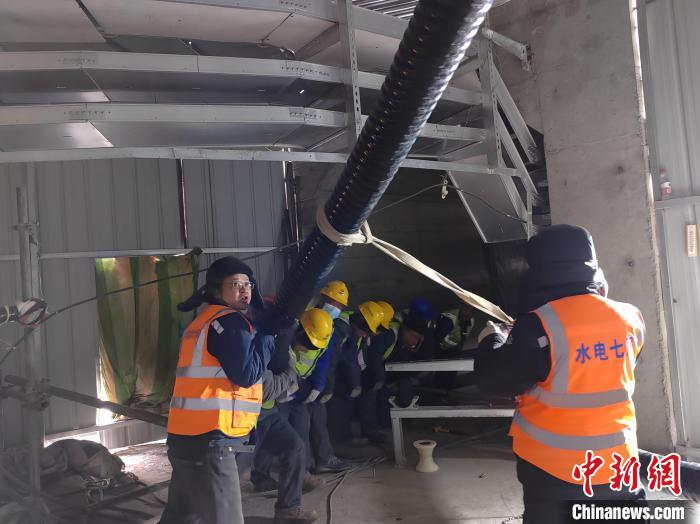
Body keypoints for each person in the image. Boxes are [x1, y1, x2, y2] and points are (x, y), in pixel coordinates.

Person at [473, 225, 646, 524]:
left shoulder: (540, 325)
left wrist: (492, 339)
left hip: (553, 471)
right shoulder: (631, 317)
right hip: (620, 463)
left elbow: (495, 381)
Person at [159, 257, 275, 524]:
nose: (245, 290)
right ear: (215, 290)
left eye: (248, 284)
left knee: (182, 516)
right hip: (212, 442)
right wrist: (269, 334)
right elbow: (247, 374)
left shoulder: (201, 322)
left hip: (184, 439)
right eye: (235, 284)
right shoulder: (230, 322)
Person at [251, 310, 326, 524]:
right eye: (306, 342)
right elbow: (266, 388)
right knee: (232, 469)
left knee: (294, 447)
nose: (306, 348)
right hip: (246, 416)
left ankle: (288, 511)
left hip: (268, 413)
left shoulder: (286, 350)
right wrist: (289, 378)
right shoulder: (262, 342)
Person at [279, 308, 351, 474]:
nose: (307, 349)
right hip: (279, 391)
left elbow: (324, 360)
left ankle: (303, 472)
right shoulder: (284, 336)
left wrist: (319, 386)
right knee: (275, 430)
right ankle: (260, 474)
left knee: (302, 424)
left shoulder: (323, 338)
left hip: (298, 388)